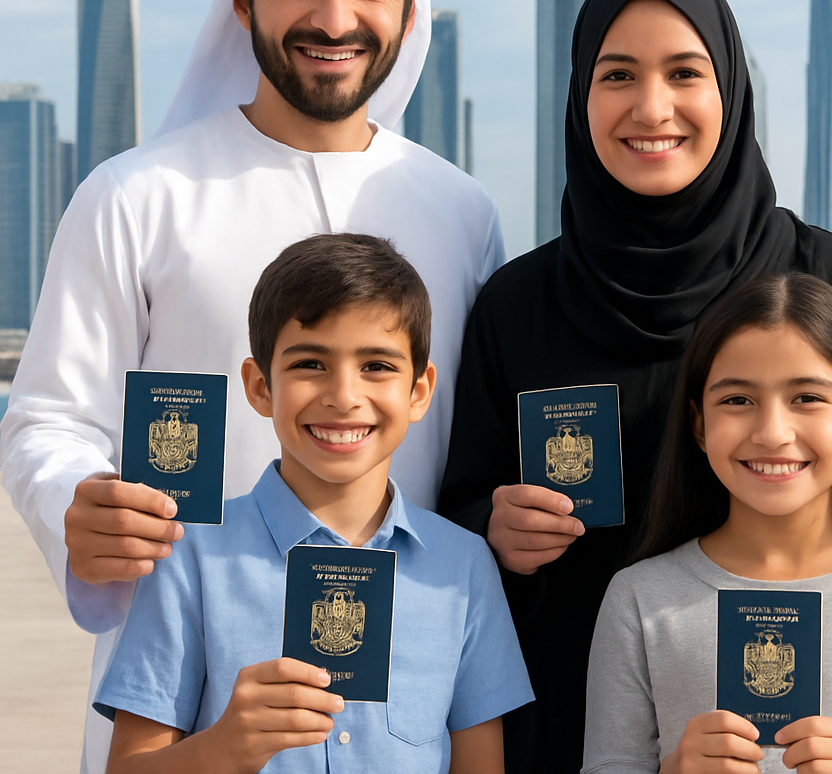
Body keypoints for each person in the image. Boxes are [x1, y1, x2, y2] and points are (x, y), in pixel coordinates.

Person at [0, 0, 503, 773]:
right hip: (178, 685)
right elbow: (49, 418)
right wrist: (76, 498)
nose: (334, 16)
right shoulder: (133, 195)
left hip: (405, 697)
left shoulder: (463, 212)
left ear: (407, 13)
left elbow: (474, 439)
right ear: (243, 4)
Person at [438, 0, 832, 774]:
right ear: (578, 97)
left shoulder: (821, 277)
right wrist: (492, 527)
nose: (650, 107)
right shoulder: (518, 302)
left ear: (730, 91)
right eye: (616, 74)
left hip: (806, 739)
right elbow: (447, 519)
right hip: (563, 716)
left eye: (684, 73)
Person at [95, 233, 533, 774]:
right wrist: (223, 748)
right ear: (259, 387)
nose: (344, 396)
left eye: (377, 365)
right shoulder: (189, 557)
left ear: (419, 391)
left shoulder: (463, 566)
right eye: (310, 364)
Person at [582, 272, 832, 773]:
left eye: (807, 398)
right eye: (737, 400)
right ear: (699, 426)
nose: (773, 433)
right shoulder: (638, 600)